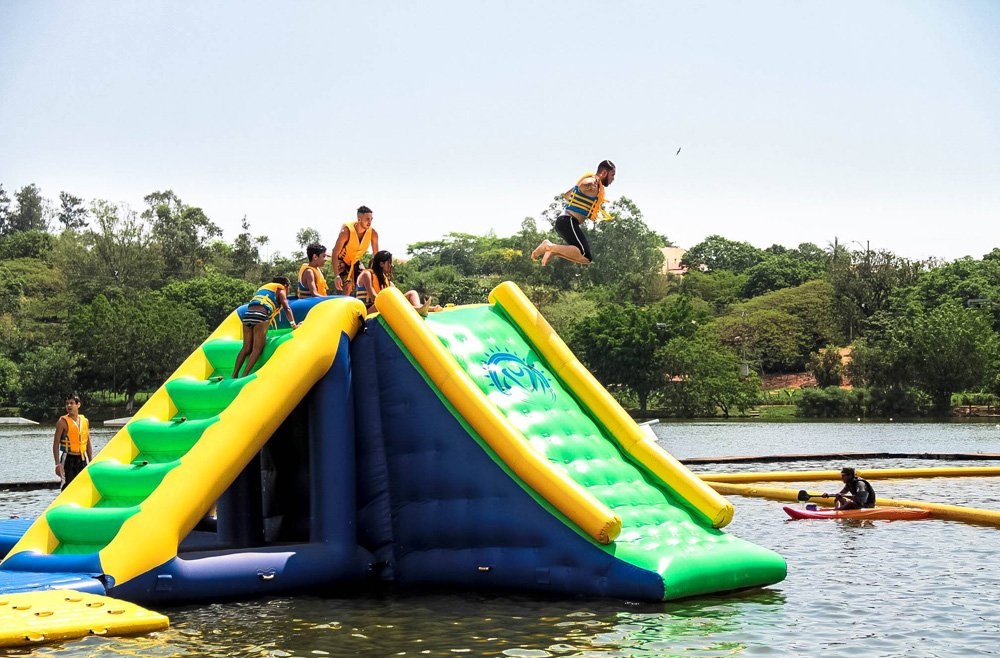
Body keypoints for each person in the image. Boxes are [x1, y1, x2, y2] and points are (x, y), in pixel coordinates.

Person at [531, 160, 616, 266]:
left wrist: (581, 190)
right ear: (604, 173)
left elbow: (567, 195)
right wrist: (589, 185)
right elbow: (584, 184)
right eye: (612, 175)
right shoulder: (592, 181)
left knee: (586, 258)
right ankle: (549, 246)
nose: (613, 179)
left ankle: (553, 250)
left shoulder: (597, 185)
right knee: (584, 253)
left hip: (566, 222)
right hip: (568, 221)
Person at [232, 276, 298, 379]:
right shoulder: (280, 289)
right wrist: (294, 325)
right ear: (286, 286)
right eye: (288, 288)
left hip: (247, 315)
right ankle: (244, 375)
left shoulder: (264, 288)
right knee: (257, 349)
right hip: (260, 316)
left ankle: (234, 374)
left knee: (246, 348)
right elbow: (286, 307)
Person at [355, 250, 438, 316]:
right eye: (389, 263)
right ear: (381, 264)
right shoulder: (367, 274)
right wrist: (390, 301)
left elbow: (399, 299)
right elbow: (374, 297)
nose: (391, 266)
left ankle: (421, 308)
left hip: (384, 305)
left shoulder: (387, 281)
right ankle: (416, 310)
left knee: (412, 293)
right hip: (368, 310)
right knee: (387, 300)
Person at [331, 205, 380, 297]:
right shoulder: (346, 232)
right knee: (348, 286)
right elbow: (335, 253)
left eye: (371, 219)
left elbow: (376, 256)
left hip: (356, 261)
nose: (370, 222)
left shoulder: (373, 233)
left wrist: (377, 273)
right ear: (359, 219)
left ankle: (367, 306)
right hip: (342, 261)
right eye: (367, 219)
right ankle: (343, 307)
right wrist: (336, 275)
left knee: (367, 279)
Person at [52, 394, 92, 490]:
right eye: (67, 404)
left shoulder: (85, 421)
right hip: (68, 459)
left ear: (78, 405)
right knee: (67, 487)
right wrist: (58, 464)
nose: (69, 406)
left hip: (82, 459)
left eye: (72, 403)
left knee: (83, 487)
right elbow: (55, 444)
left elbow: (88, 443)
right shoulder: (62, 422)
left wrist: (91, 461)